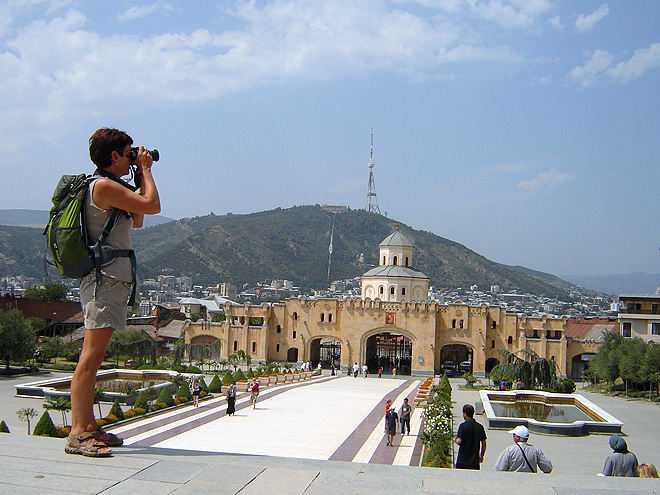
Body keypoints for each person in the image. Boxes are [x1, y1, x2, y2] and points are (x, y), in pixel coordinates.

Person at [66, 128, 160, 457]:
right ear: (115, 156)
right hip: (103, 281)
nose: (134, 155)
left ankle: (89, 426)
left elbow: (137, 220)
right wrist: (146, 170)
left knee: (95, 356)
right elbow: (152, 206)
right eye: (129, 151)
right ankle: (78, 432)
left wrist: (136, 175)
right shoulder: (103, 186)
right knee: (90, 358)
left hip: (111, 280)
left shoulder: (112, 187)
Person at [455, 404, 487, 469]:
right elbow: (484, 443)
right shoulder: (480, 427)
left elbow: (458, 441)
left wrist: (455, 439)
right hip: (474, 461)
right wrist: (481, 455)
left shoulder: (463, 426)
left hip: (462, 461)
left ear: (465, 413)